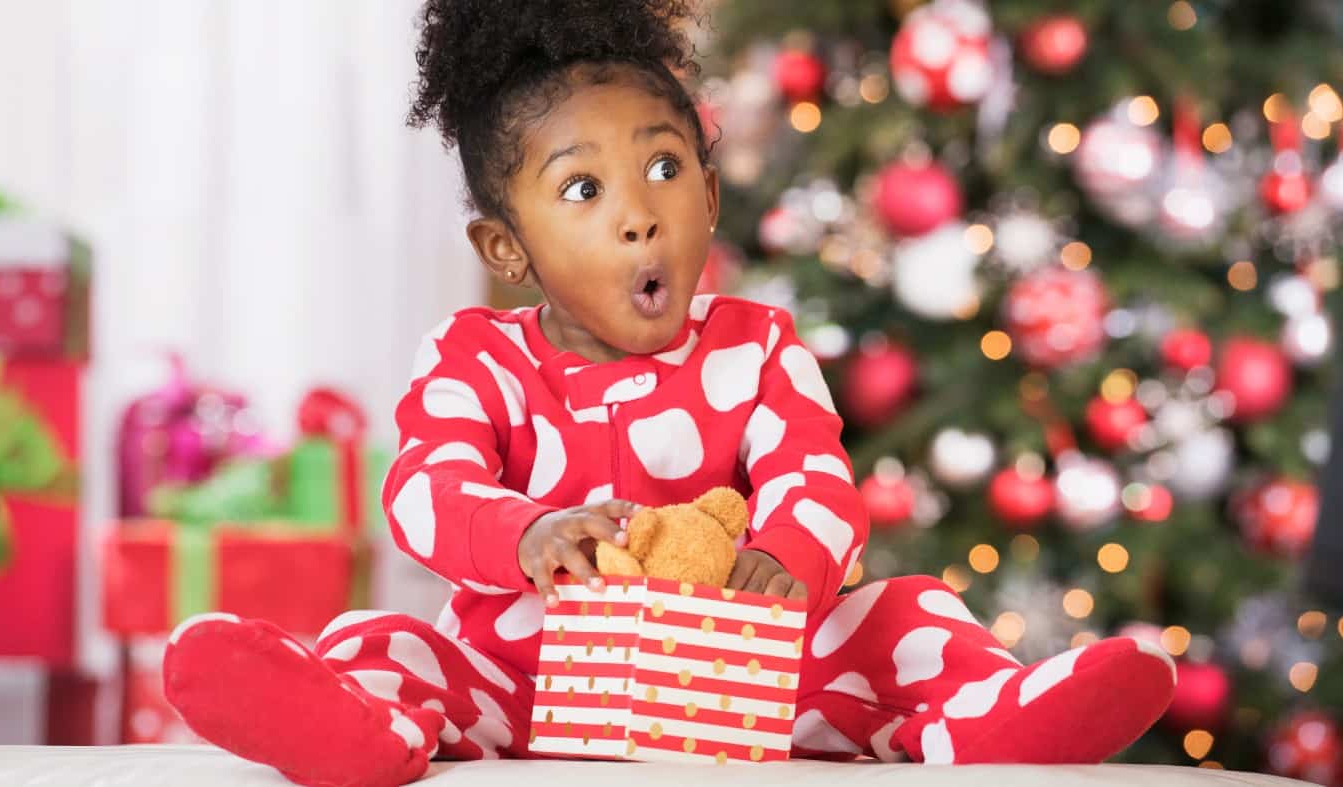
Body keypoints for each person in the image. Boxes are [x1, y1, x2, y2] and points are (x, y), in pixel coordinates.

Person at [163, 2, 1176, 784]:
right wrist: (525, 533)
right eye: (583, 189)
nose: (640, 216)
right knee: (390, 642)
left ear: (709, 191)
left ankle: (991, 715)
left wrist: (787, 554)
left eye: (661, 166)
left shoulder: (757, 346)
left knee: (906, 613)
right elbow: (425, 487)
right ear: (506, 247)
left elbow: (812, 474)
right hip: (531, 677)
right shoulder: (475, 357)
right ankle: (355, 723)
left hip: (746, 683)